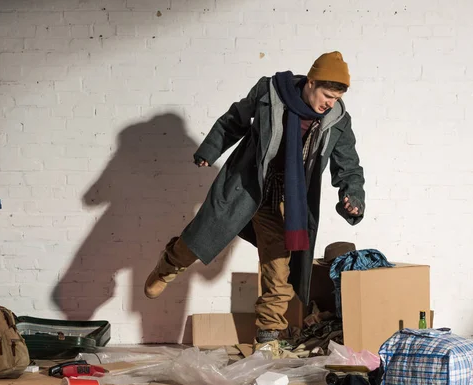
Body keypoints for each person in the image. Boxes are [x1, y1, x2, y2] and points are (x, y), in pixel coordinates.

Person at [144, 51, 366, 356]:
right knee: (202, 237)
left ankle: (267, 338)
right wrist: (211, 149)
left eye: (335, 97)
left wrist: (352, 196)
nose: (329, 103)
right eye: (327, 95)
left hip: (289, 201)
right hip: (249, 185)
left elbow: (348, 165)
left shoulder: (337, 118)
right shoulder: (270, 92)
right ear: (310, 82)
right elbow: (235, 119)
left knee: (278, 271)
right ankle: (168, 265)